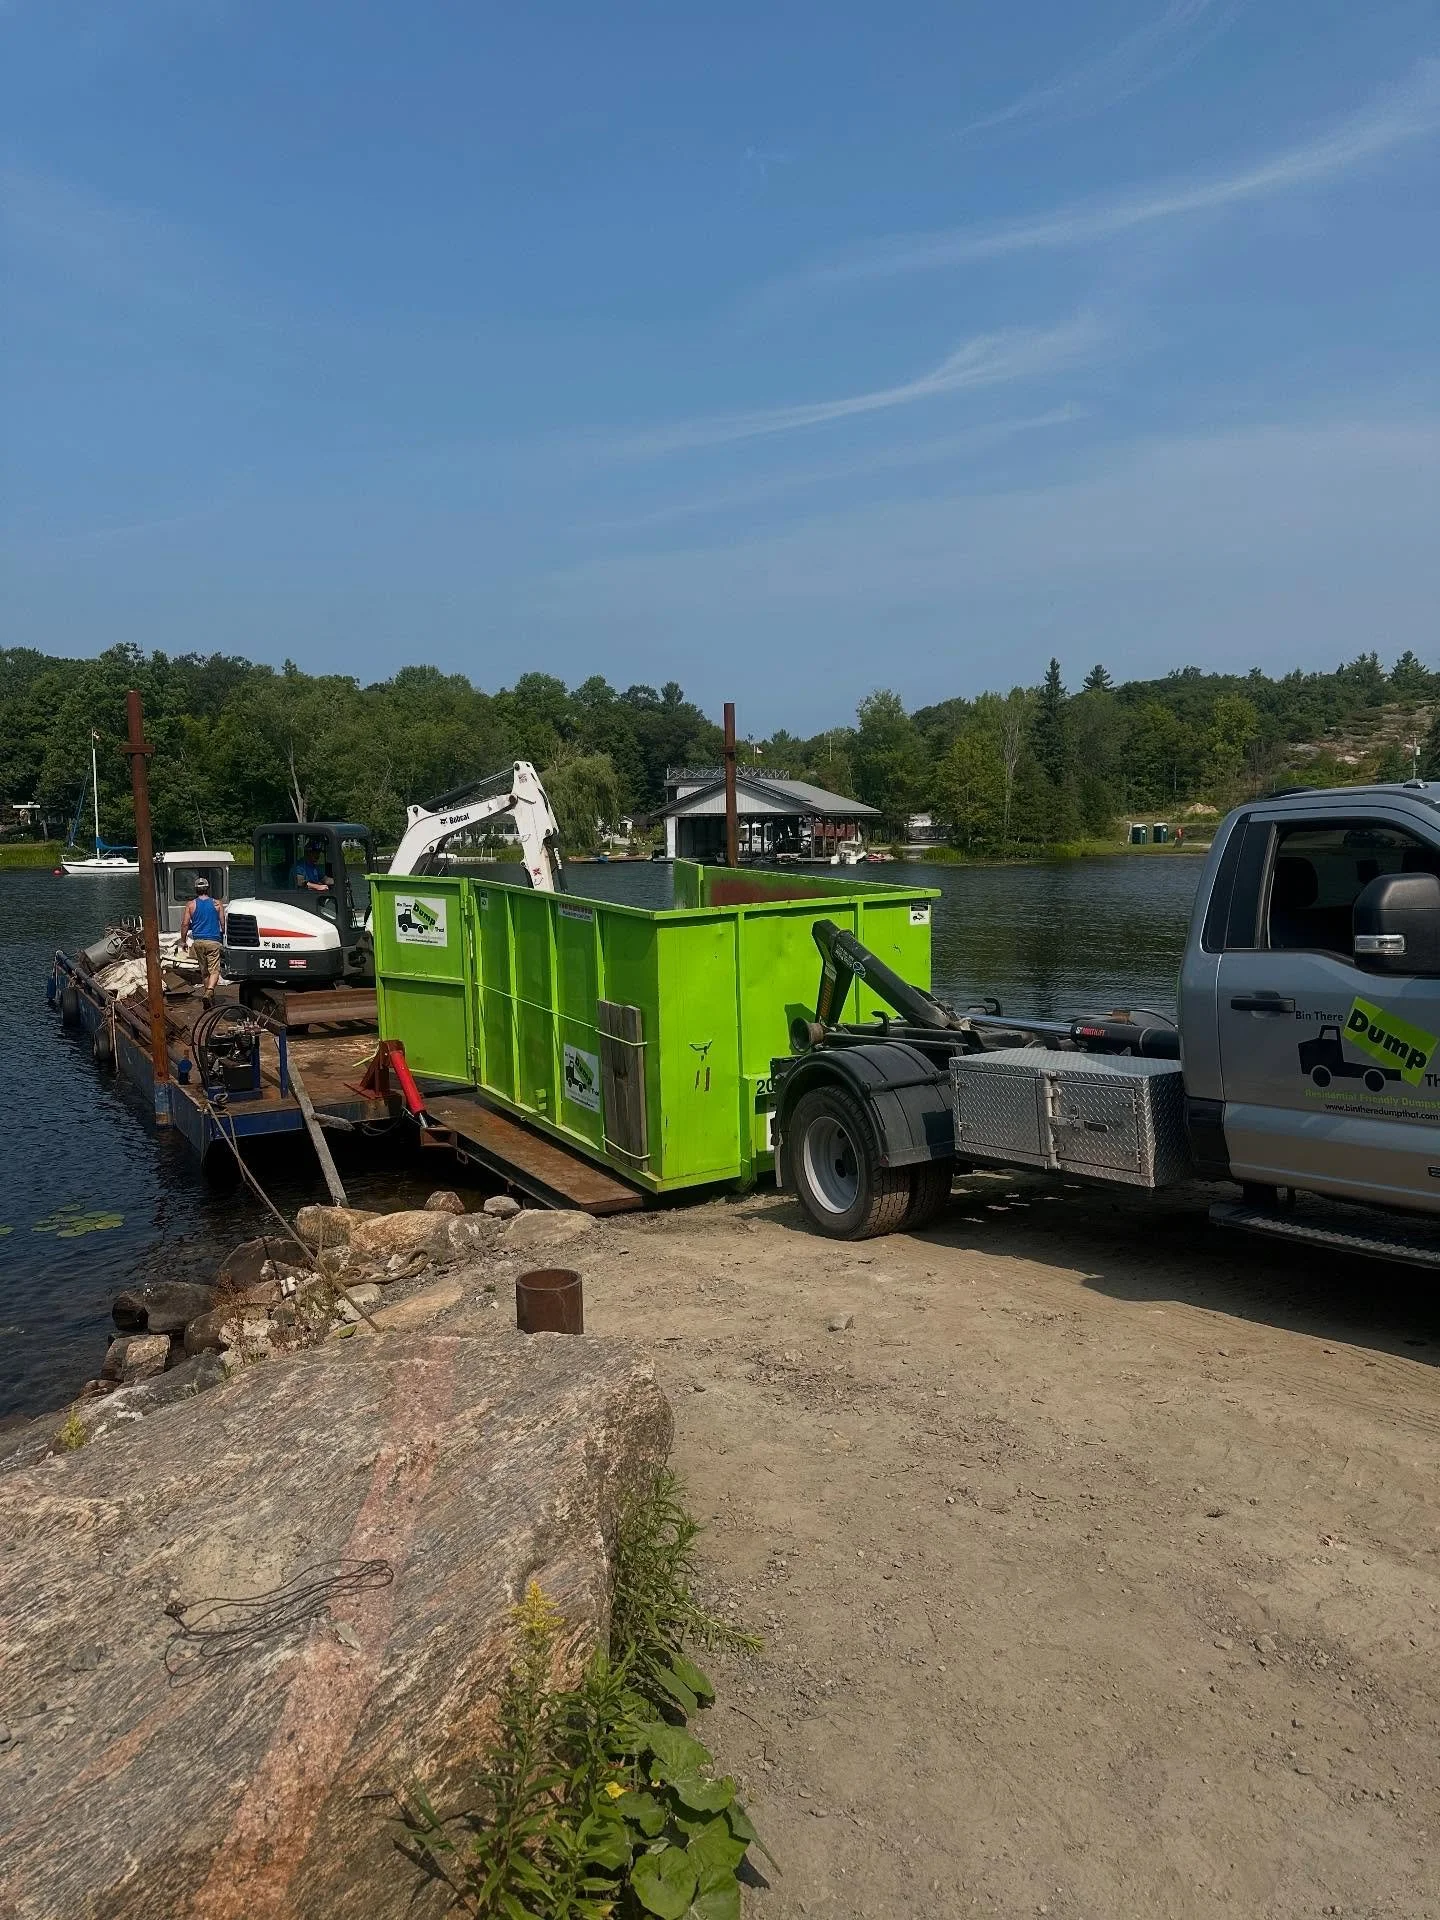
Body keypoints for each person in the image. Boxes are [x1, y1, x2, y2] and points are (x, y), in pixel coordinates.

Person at [179, 876, 226, 1008]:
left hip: (198, 941)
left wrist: (183, 941)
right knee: (215, 971)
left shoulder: (191, 905)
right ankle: (210, 991)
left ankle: (208, 997)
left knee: (204, 971)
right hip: (213, 941)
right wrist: (223, 936)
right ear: (208, 889)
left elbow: (184, 924)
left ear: (196, 890)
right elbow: (223, 923)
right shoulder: (217, 903)